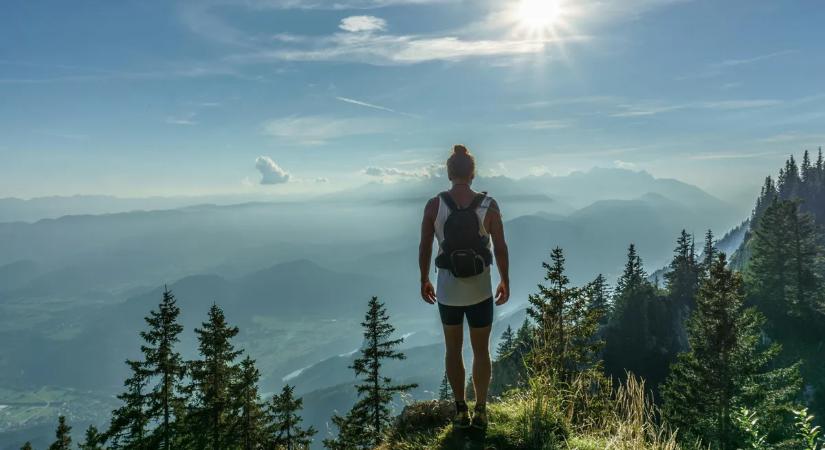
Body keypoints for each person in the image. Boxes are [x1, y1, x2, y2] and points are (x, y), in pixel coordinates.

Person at [419, 144, 510, 430]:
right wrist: (505, 280)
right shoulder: (489, 205)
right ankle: (481, 410)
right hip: (481, 290)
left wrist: (424, 278)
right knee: (481, 351)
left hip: (448, 291)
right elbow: (501, 247)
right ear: (473, 173)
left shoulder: (435, 205)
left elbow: (425, 246)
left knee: (453, 350)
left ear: (449, 172)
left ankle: (460, 411)